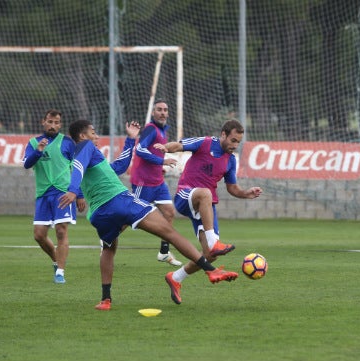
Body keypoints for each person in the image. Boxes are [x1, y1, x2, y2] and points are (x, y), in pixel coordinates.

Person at [58, 119, 238, 311]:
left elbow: (118, 167)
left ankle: (105, 299)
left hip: (99, 215)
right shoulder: (84, 147)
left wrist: (130, 140)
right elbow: (78, 166)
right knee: (169, 232)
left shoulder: (90, 155)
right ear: (83, 136)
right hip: (119, 201)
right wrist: (72, 190)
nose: (97, 136)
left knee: (109, 249)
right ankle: (211, 271)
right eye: (93, 132)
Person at [156, 120, 263, 305]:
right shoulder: (205, 143)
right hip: (185, 195)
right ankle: (214, 242)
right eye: (233, 140)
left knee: (210, 255)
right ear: (223, 134)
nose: (235, 145)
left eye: (238, 142)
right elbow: (180, 145)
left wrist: (246, 193)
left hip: (205, 205)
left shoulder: (230, 160)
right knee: (205, 194)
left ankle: (176, 277)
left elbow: (232, 188)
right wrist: (166, 147)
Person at [23, 109, 84, 284]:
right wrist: (38, 151)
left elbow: (77, 168)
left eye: (56, 122)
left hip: (62, 193)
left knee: (61, 230)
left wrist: (78, 194)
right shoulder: (33, 143)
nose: (53, 125)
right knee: (39, 235)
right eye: (50, 121)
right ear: (43, 122)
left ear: (60, 124)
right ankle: (57, 261)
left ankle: (61, 273)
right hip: (43, 194)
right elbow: (27, 164)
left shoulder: (67, 142)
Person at [130, 100, 181, 266]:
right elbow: (140, 149)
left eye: (165, 110)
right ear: (153, 113)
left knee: (169, 213)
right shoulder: (151, 129)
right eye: (159, 110)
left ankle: (164, 253)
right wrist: (162, 161)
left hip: (157, 182)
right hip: (143, 182)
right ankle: (107, 239)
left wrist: (160, 167)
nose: (163, 113)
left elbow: (152, 152)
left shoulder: (162, 131)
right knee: (129, 216)